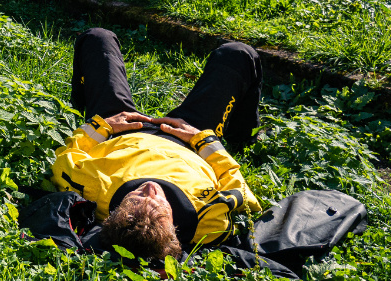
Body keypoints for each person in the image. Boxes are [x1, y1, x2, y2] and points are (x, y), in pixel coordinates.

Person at [51, 28, 263, 265]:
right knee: (238, 54)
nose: (150, 189)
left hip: (121, 127)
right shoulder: (209, 219)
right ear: (174, 226)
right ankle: (243, 135)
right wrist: (202, 140)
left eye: (135, 199)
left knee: (97, 38)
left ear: (111, 215)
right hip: (188, 139)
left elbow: (68, 155)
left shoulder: (91, 191)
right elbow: (238, 185)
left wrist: (101, 126)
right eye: (158, 203)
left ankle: (82, 104)